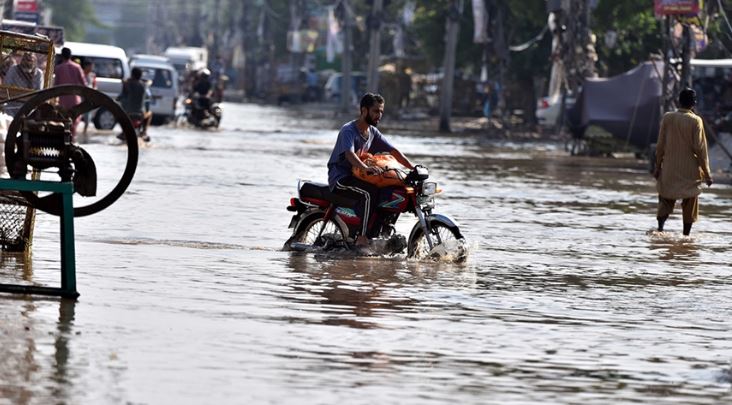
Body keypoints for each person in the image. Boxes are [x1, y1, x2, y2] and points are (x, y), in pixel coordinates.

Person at [327, 93, 414, 251]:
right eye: (375, 111)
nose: (379, 115)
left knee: (390, 192)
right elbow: (349, 154)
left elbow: (394, 151)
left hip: (358, 176)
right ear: (364, 110)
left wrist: (413, 168)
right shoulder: (349, 130)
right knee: (369, 194)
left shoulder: (373, 132)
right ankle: (362, 237)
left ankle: (381, 232)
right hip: (341, 177)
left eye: (381, 111)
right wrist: (365, 168)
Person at [654, 88, 713, 236]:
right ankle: (686, 236)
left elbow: (660, 145)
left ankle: (660, 229)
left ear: (678, 101)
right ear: (693, 104)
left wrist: (657, 167)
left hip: (669, 168)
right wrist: (707, 174)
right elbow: (700, 150)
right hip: (689, 170)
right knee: (690, 201)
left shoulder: (668, 118)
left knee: (665, 198)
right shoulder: (695, 121)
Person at [53, 47, 87, 139]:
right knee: (74, 124)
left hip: (62, 101)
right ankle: (73, 140)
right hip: (75, 100)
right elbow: (84, 84)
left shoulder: (58, 68)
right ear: (70, 56)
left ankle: (66, 140)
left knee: (64, 123)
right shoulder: (77, 67)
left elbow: (55, 85)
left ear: (62, 56)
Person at [117, 67, 152, 141]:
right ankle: (144, 132)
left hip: (127, 113)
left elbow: (120, 97)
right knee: (149, 114)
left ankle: (123, 132)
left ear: (132, 75)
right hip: (140, 114)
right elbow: (148, 94)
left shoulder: (127, 83)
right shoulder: (143, 85)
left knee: (118, 113)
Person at [81, 59, 96, 134]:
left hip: (89, 98)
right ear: (86, 66)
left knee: (87, 117)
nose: (91, 68)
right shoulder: (81, 74)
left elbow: (95, 86)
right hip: (81, 97)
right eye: (90, 66)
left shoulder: (92, 75)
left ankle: (84, 131)